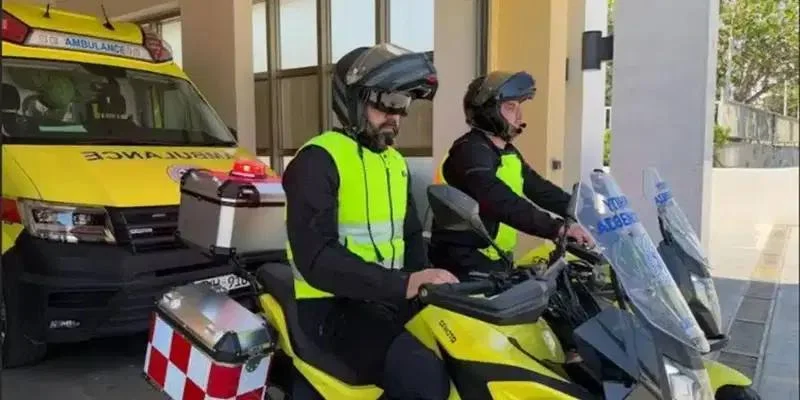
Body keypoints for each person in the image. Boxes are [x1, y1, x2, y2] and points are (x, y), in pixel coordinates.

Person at [282, 44, 456, 400]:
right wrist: (404, 283)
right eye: (388, 102)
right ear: (353, 99)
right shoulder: (318, 159)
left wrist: (428, 282)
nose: (396, 115)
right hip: (332, 307)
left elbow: (410, 237)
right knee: (424, 379)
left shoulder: (394, 163)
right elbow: (316, 258)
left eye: (403, 104)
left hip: (386, 298)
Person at [428, 70, 594, 282]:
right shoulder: (468, 150)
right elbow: (497, 198)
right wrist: (557, 228)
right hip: (463, 264)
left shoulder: (507, 152)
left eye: (519, 107)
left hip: (496, 258)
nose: (519, 116)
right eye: (510, 107)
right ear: (488, 110)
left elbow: (539, 188)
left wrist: (586, 210)